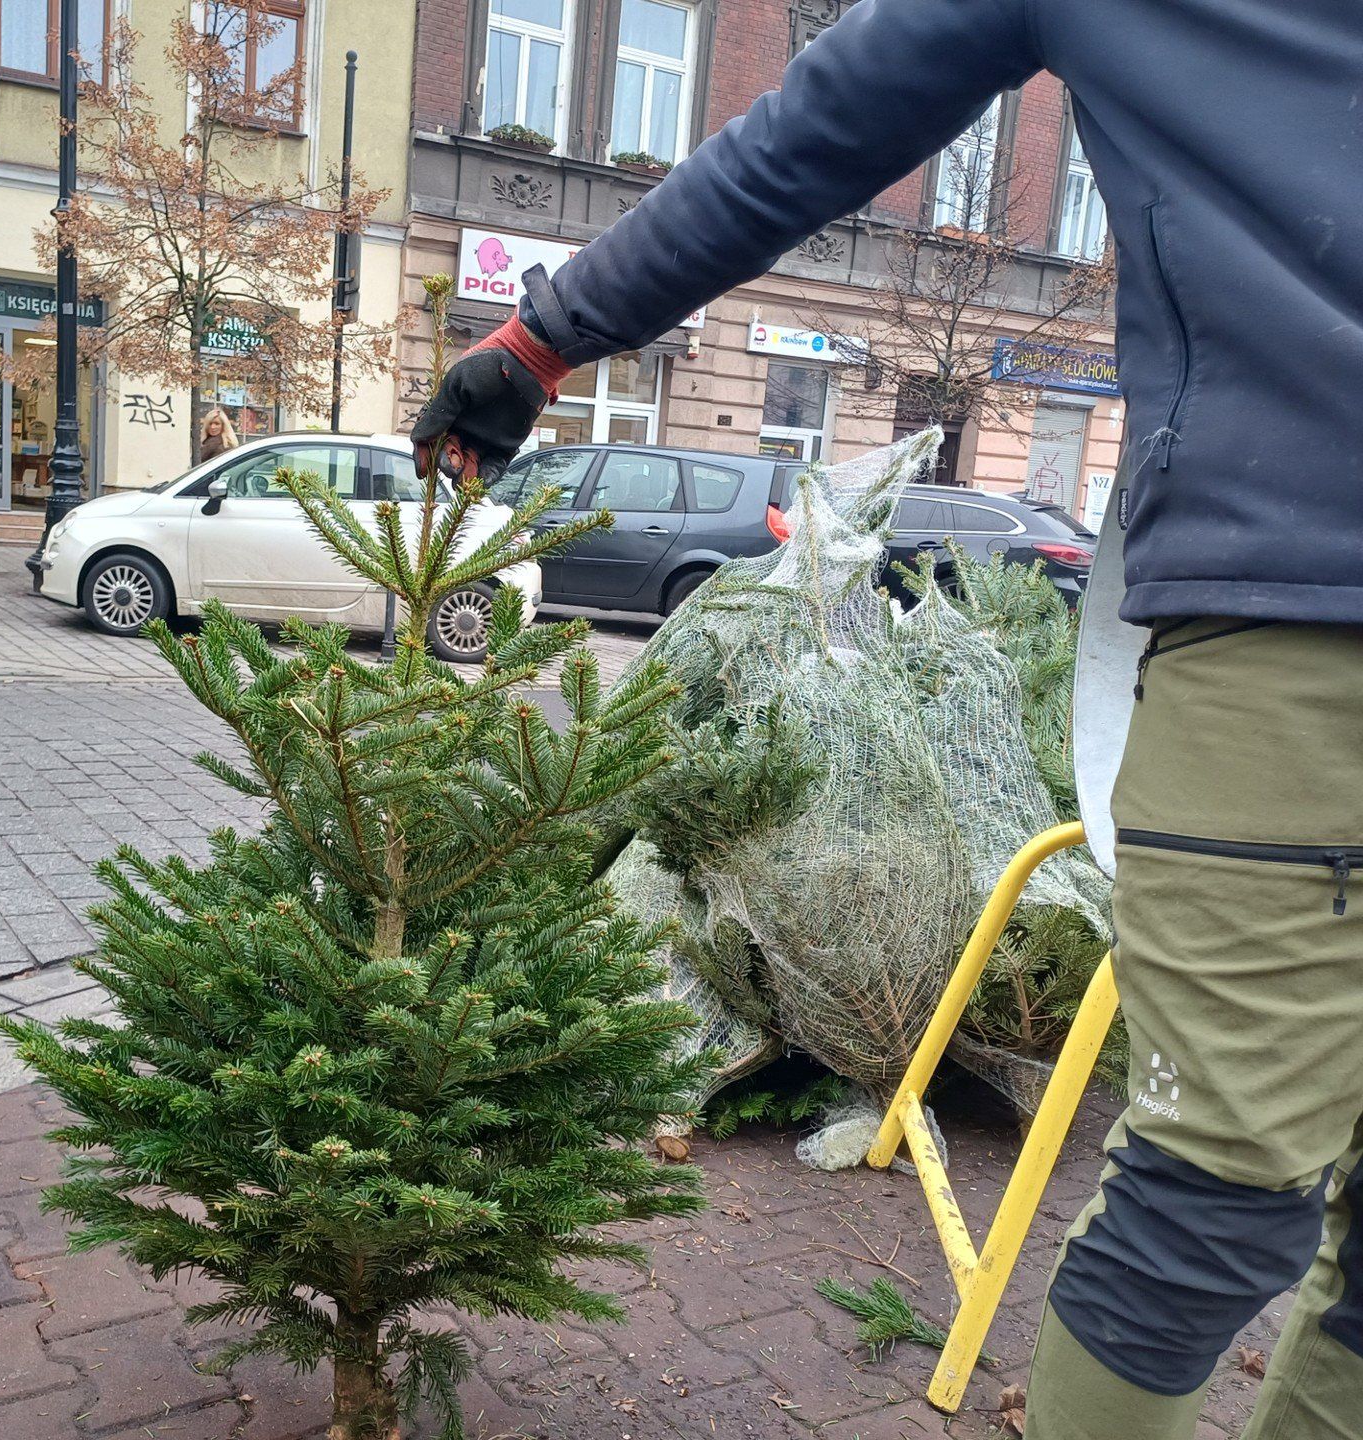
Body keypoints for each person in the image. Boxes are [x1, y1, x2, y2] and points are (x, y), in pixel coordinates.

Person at [411, 3, 1363, 1437]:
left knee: (1230, 1196)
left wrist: (542, 342)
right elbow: (831, 118)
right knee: (1225, 1193)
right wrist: (549, 337)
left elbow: (818, 125)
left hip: (1285, 580)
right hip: (1302, 600)